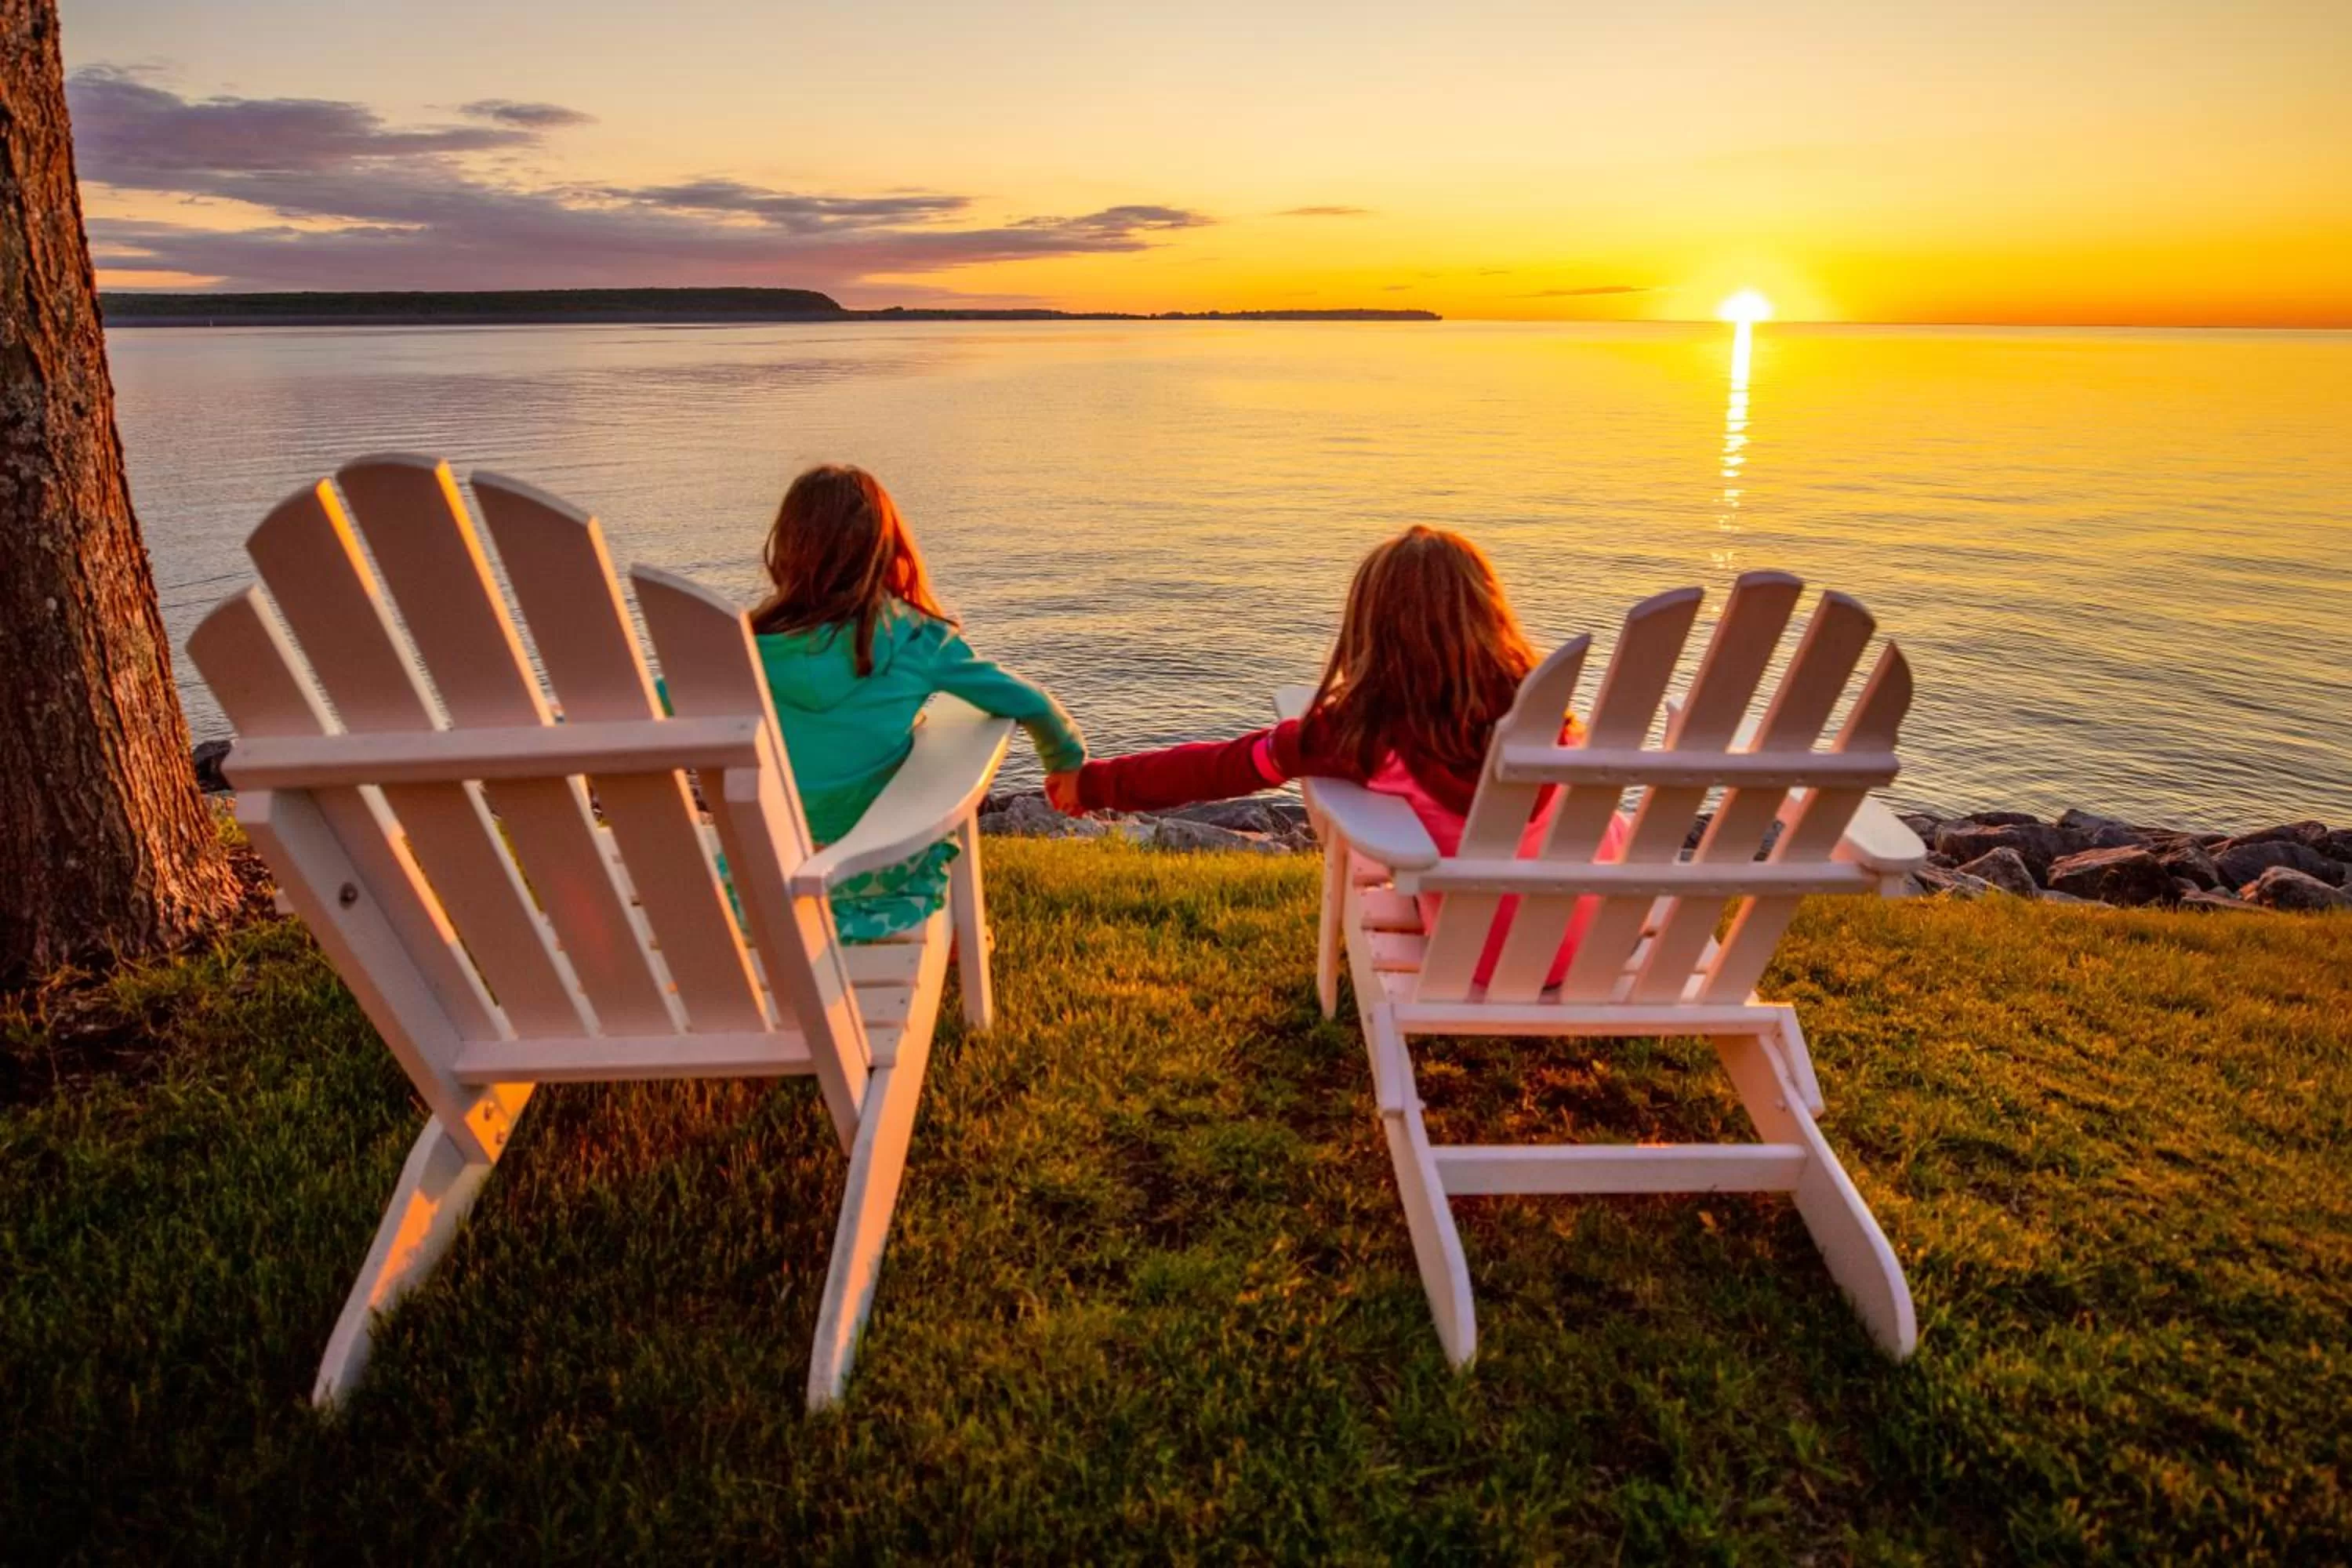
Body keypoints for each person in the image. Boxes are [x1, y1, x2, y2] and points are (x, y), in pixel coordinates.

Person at [1046, 525, 1627, 987]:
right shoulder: (1545, 710)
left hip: (1479, 957)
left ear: (1370, 629)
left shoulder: (1358, 733)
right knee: (1605, 823)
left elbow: (1224, 766)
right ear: (1488, 614)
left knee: (1384, 826)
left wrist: (1094, 784)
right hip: (1597, 939)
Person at [743, 463, 1085, 941]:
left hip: (768, 877)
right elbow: (1025, 700)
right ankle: (951, 938)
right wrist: (1064, 761)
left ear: (786, 549)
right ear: (884, 549)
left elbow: (658, 702)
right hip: (879, 875)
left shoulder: (743, 648)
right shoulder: (911, 636)